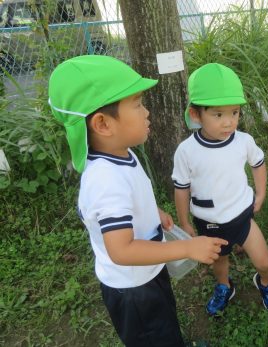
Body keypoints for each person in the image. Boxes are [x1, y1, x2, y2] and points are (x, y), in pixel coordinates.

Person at [48, 55, 227, 347]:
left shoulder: (121, 152)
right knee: (154, 337)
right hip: (133, 290)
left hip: (148, 273)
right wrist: (187, 247)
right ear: (103, 124)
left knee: (167, 327)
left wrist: (153, 212)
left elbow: (133, 196)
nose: (147, 112)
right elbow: (121, 250)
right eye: (138, 104)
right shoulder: (105, 181)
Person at [172, 63, 268, 316]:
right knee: (219, 262)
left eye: (234, 112)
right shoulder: (187, 151)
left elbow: (258, 163)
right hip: (209, 222)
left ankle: (266, 283)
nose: (229, 121)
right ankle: (224, 286)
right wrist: (183, 221)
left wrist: (261, 193)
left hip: (242, 216)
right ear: (196, 114)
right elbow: (181, 188)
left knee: (265, 262)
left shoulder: (243, 141)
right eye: (218, 114)